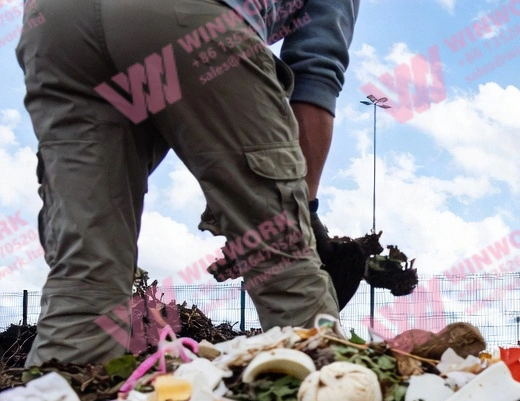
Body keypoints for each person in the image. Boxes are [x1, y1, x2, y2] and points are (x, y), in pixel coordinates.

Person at [17, 0, 362, 366]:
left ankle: (59, 397)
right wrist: (301, 211)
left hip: (57, 26)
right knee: (287, 276)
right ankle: (330, 389)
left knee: (84, 282)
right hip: (186, 17)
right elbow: (315, 72)